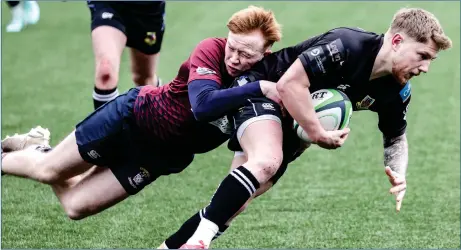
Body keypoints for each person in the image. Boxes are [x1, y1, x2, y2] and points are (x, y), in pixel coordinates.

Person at [162, 7, 452, 249]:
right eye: (422, 56)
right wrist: (317, 133)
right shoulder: (346, 45)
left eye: (431, 60)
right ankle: (200, 241)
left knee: (234, 203)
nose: (425, 67)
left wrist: (399, 173)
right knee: (265, 162)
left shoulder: (396, 91)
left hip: (291, 125)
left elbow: (395, 138)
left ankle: (168, 247)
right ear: (398, 41)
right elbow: (289, 85)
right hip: (264, 90)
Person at [1, 5, 283, 222]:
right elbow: (203, 105)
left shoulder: (267, 73)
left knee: (75, 207)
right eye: (232, 47)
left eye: (245, 54)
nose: (234, 59)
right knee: (47, 170)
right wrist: (258, 87)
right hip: (131, 120)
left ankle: (37, 147)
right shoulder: (211, 49)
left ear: (266, 52)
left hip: (158, 158)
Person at [87, 1, 166, 109]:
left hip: (148, 10)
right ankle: (109, 125)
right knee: (106, 71)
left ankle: (158, 116)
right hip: (109, 4)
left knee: (144, 78)